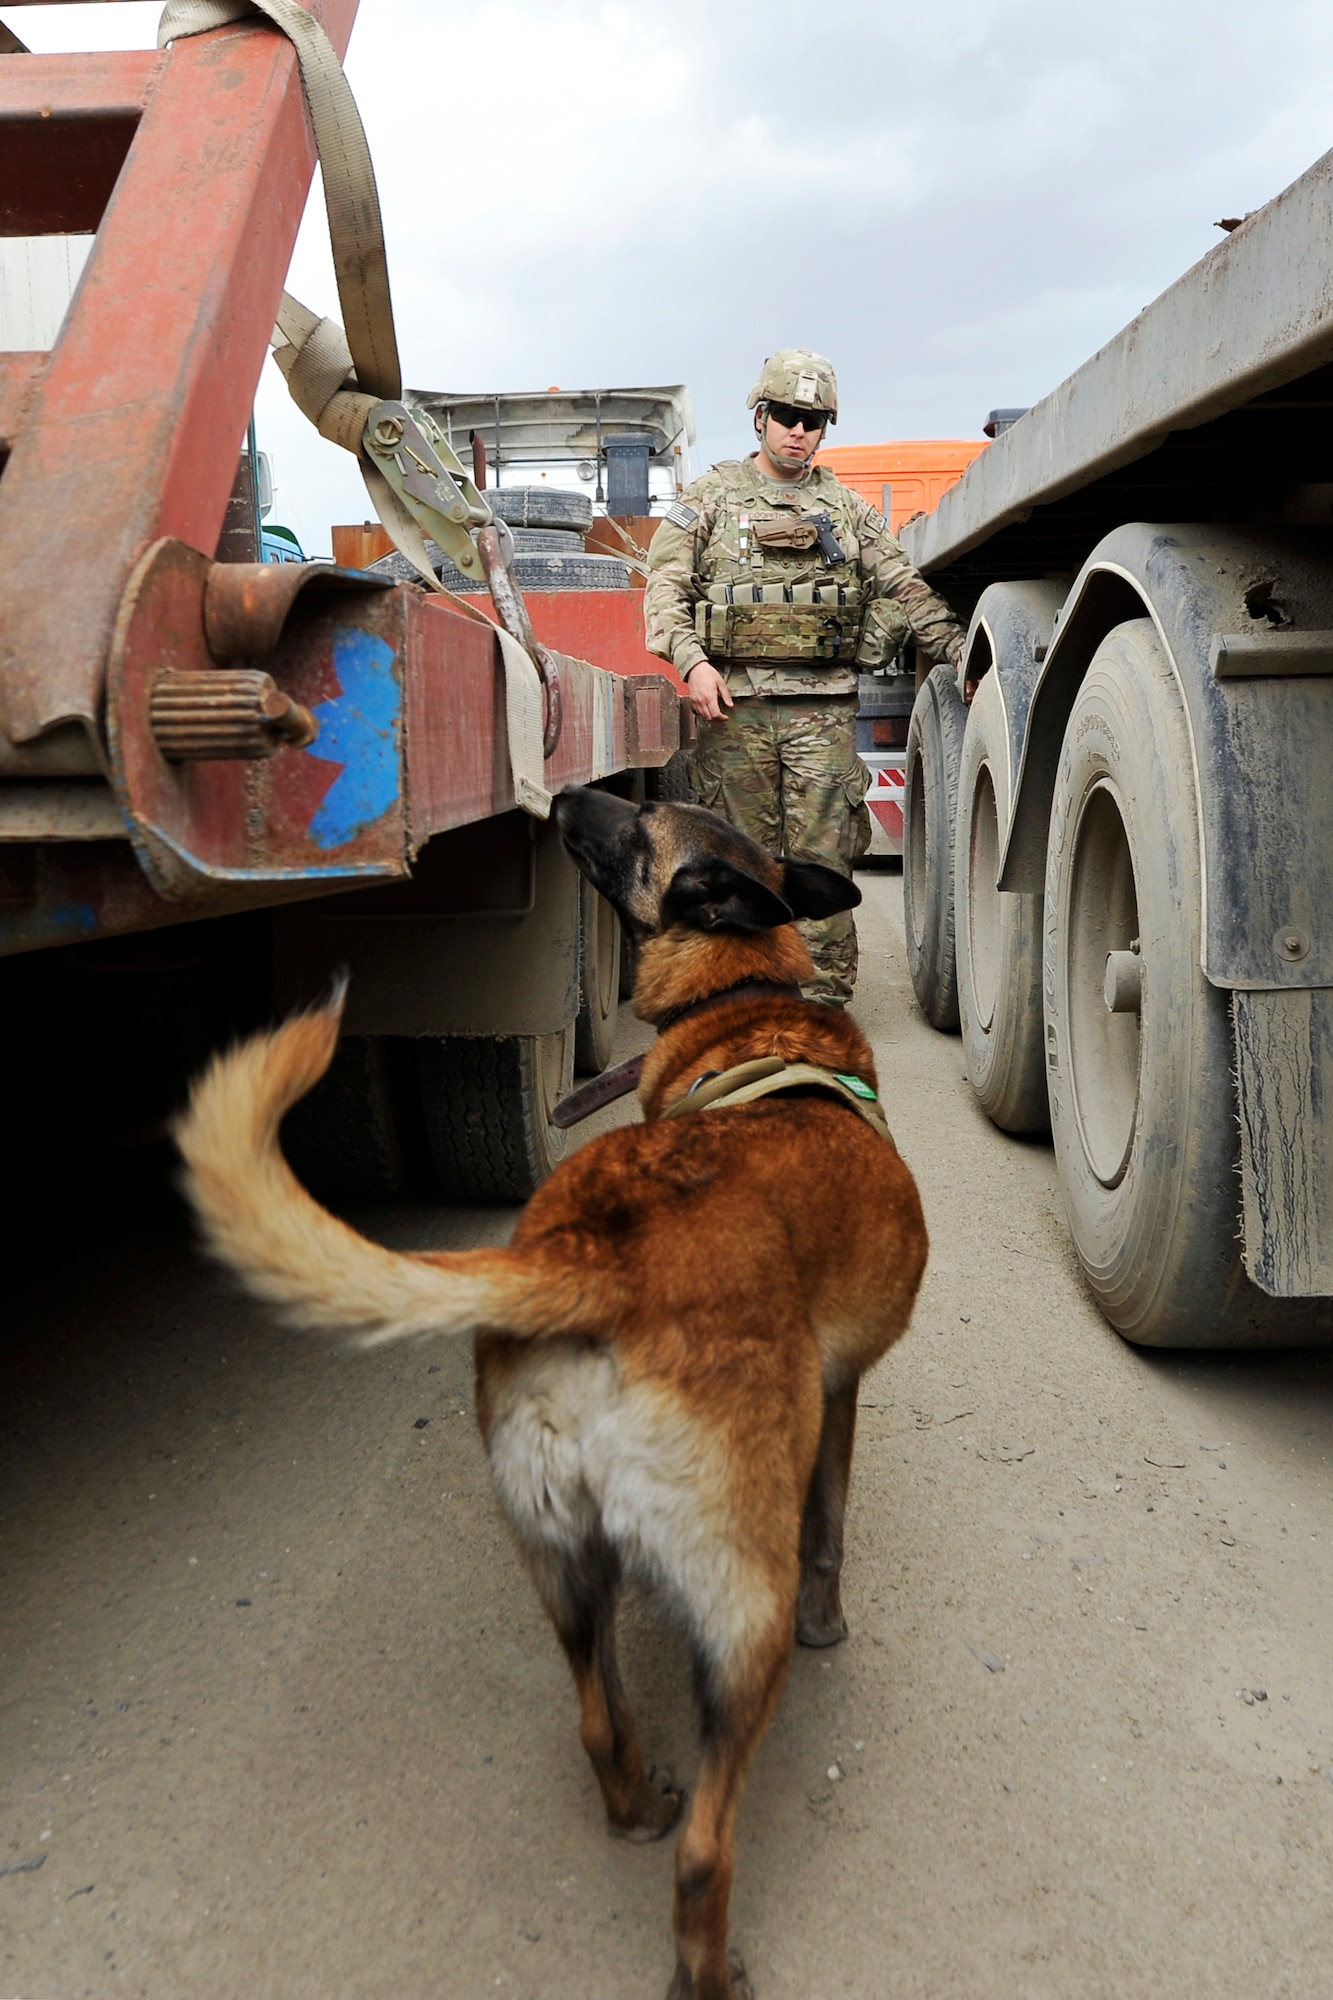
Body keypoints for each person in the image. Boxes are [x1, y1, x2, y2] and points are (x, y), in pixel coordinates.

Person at [643, 349, 967, 1004]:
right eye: (788, 416)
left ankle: (818, 1007)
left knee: (820, 866)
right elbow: (664, 592)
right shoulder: (708, 498)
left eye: (813, 421)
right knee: (738, 868)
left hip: (822, 715)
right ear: (761, 417)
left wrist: (962, 655)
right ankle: (744, 997)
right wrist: (694, 664)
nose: (799, 431)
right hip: (734, 712)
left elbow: (903, 588)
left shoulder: (846, 511)